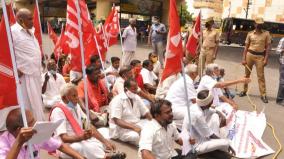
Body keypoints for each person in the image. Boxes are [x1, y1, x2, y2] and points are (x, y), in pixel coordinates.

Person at [50, 83, 123, 159]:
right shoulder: (58, 111)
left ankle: (105, 156)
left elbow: (87, 125)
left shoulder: (76, 106)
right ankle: (105, 157)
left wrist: (105, 141)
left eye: (77, 95)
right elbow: (64, 138)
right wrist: (81, 138)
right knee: (82, 147)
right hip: (67, 146)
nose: (77, 98)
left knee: (101, 138)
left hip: (81, 138)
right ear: (64, 98)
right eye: (74, 96)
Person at [0, 108, 85, 159]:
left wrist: (79, 157)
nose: (36, 122)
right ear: (20, 130)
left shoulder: (36, 133)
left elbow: (60, 146)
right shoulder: (2, 144)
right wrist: (19, 142)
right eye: (32, 121)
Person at [11, 8, 45, 120]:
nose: (33, 21)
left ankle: (39, 126)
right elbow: (4, 53)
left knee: (37, 105)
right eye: (30, 19)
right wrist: (14, 70)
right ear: (21, 20)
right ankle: (28, 129)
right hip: (24, 77)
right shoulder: (12, 31)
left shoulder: (31, 32)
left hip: (35, 76)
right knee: (26, 106)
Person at [181, 90, 235, 158]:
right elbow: (211, 135)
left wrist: (222, 116)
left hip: (202, 136)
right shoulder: (198, 114)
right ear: (209, 102)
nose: (213, 101)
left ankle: (214, 147)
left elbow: (214, 111)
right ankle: (212, 150)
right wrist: (225, 144)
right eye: (212, 100)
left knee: (215, 116)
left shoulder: (199, 106)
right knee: (226, 143)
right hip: (196, 145)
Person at [109, 79, 152, 145]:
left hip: (137, 124)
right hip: (121, 128)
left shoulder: (136, 97)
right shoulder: (117, 100)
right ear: (126, 89)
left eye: (136, 89)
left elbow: (146, 112)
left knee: (152, 129)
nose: (136, 91)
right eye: (134, 89)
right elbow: (117, 120)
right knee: (135, 136)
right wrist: (134, 128)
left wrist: (154, 123)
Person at [240, 17, 271, 103]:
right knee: (246, 74)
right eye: (258, 24)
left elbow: (268, 48)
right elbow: (246, 47)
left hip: (260, 57)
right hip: (249, 55)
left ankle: (263, 95)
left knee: (261, 76)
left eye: (261, 24)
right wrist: (243, 58)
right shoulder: (250, 34)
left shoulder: (266, 34)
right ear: (255, 24)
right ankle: (244, 91)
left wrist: (266, 59)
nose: (259, 25)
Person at [166, 64, 198, 130]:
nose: (198, 74)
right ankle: (176, 127)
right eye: (197, 72)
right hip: (175, 108)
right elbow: (194, 100)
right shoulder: (187, 81)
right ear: (193, 73)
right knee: (196, 114)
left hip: (176, 107)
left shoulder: (184, 79)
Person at [276, 37, 284, 106]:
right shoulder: (283, 40)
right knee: (282, 82)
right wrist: (282, 50)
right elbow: (277, 51)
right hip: (283, 63)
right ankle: (279, 100)